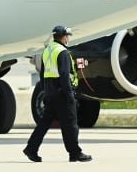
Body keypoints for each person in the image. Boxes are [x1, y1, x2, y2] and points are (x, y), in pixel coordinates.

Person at [23, 25, 92, 163]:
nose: (68, 39)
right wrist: (69, 95)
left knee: (44, 124)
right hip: (62, 93)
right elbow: (64, 75)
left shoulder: (48, 51)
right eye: (67, 36)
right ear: (63, 37)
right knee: (70, 124)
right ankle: (75, 153)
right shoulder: (62, 52)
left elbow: (42, 74)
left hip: (49, 92)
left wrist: (45, 91)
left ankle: (31, 148)